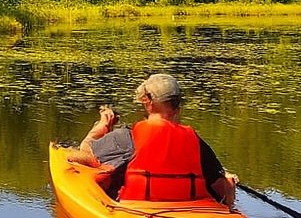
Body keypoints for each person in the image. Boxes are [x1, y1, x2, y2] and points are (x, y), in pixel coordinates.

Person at [64, 73, 237, 207]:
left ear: (147, 102)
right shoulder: (196, 143)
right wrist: (229, 180)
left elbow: (86, 154)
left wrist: (102, 126)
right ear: (177, 105)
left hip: (140, 211)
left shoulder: (128, 137)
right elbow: (224, 196)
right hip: (194, 214)